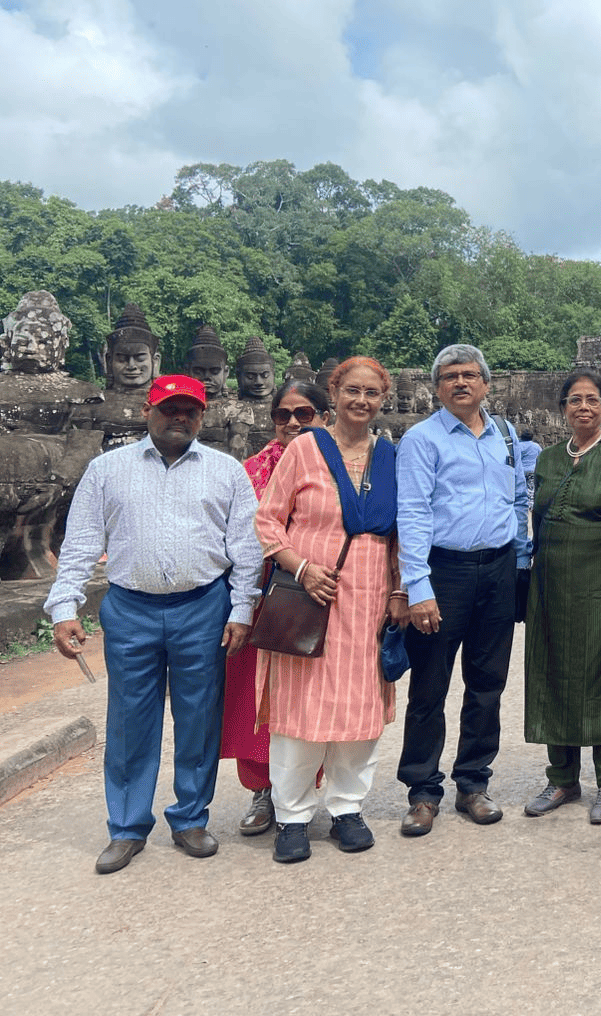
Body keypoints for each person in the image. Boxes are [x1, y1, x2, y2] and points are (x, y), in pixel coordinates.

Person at [46, 375, 262, 874]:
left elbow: (245, 551)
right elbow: (79, 543)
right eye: (169, 408)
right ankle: (126, 827)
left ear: (202, 416)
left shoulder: (226, 472)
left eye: (189, 410)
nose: (179, 417)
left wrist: (242, 610)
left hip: (203, 605)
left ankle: (190, 818)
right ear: (148, 410)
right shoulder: (107, 470)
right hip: (130, 608)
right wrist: (64, 608)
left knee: (199, 717)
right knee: (129, 721)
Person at [254, 358, 402, 863]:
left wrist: (399, 593)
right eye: (352, 391)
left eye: (372, 393)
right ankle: (292, 816)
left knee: (360, 710)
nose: (361, 401)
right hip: (310, 596)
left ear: (384, 399)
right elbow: (269, 522)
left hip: (368, 600)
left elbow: (401, 534)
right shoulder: (305, 449)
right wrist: (300, 568)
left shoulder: (391, 457)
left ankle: (347, 808)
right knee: (300, 710)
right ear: (333, 394)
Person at [396, 344, 530, 836]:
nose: (460, 383)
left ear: (486, 385)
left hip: (496, 567)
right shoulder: (422, 439)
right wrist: (418, 586)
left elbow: (517, 497)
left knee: (487, 682)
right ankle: (423, 790)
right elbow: (411, 513)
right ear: (437, 387)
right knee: (429, 686)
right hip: (443, 570)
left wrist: (519, 562)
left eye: (470, 375)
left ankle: (473, 782)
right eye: (450, 376)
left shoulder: (505, 435)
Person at [523, 369, 601, 825]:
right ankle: (561, 777)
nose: (583, 407)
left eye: (592, 400)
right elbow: (534, 524)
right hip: (551, 590)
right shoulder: (548, 460)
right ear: (562, 408)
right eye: (574, 400)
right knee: (554, 673)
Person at [222, 379, 329, 837]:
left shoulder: (340, 465)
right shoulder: (250, 472)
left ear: (324, 417)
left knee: (311, 692)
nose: (292, 423)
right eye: (282, 415)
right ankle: (262, 791)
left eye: (304, 414)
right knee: (255, 696)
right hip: (261, 593)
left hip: (321, 591)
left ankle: (305, 789)